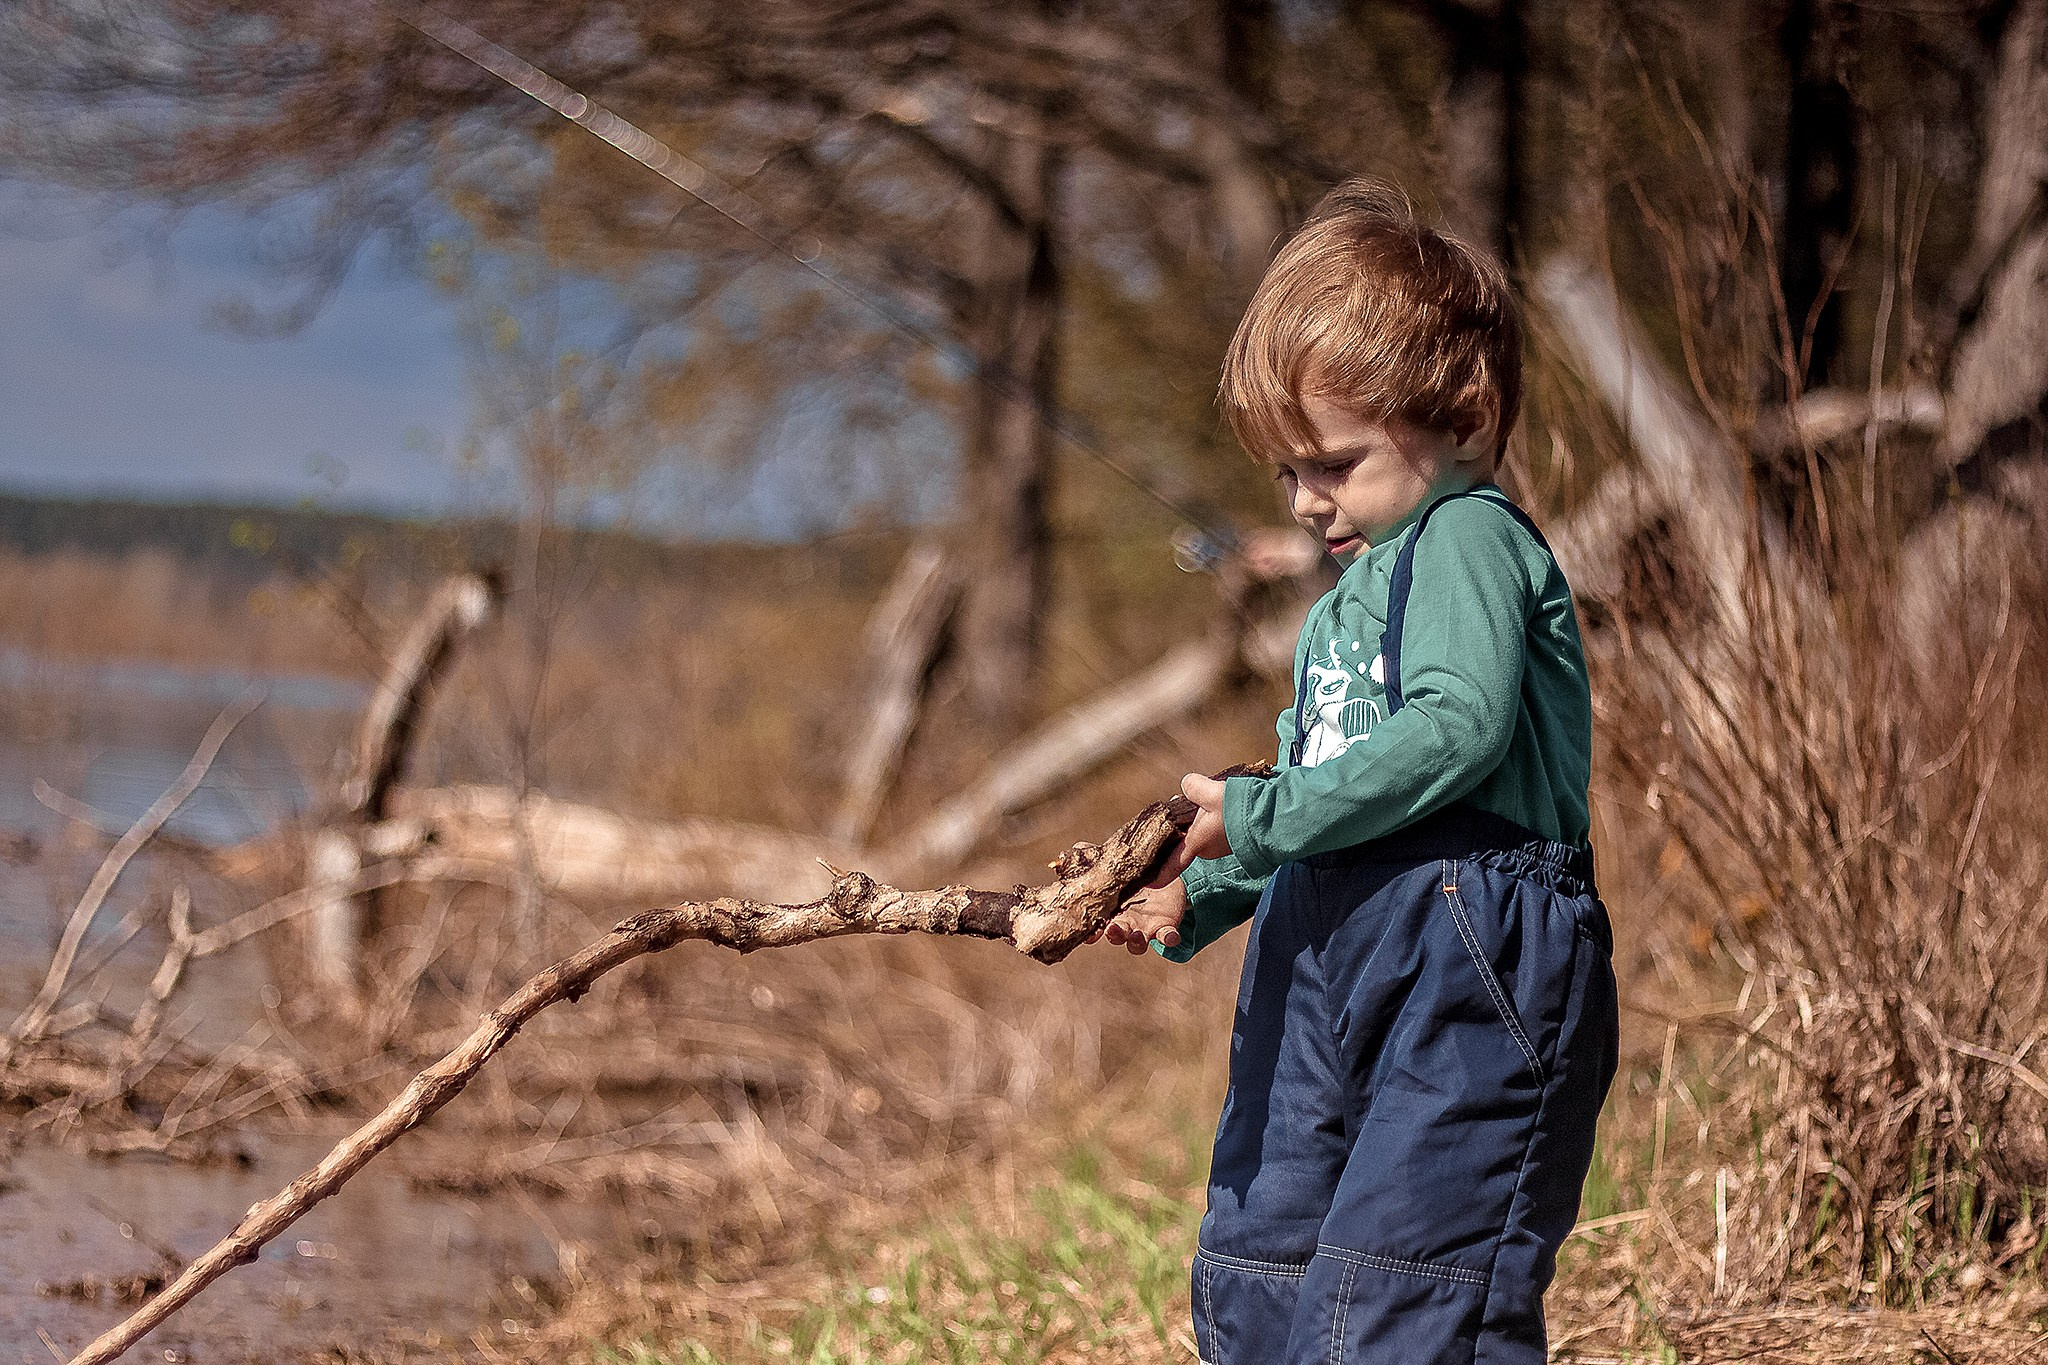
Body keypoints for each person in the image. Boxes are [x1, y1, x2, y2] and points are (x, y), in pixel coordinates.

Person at [1099, 178, 1619, 1364]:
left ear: (1463, 414)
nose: (1303, 501)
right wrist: (1204, 889)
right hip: (1324, 952)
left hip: (1463, 956)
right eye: (1286, 475)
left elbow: (1454, 732)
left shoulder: (1468, 539)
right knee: (1266, 1255)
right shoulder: (1345, 605)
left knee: (1408, 1282)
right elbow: (1317, 789)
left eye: (1331, 462)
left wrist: (1262, 814)